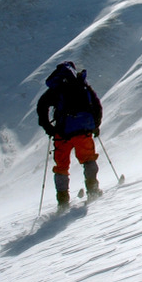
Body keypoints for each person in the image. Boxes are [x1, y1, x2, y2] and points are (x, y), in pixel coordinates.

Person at [37, 61, 103, 211]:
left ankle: (62, 202)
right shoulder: (82, 84)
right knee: (88, 160)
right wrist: (95, 125)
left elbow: (42, 106)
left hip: (62, 134)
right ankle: (93, 190)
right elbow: (97, 106)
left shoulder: (57, 87)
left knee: (61, 167)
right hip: (83, 131)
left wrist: (49, 128)